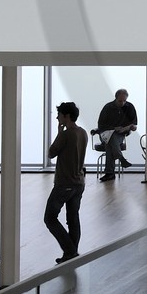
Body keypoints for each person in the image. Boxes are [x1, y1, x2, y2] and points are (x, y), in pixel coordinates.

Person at [45, 102, 87, 263]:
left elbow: (51, 153)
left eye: (59, 115)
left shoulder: (66, 134)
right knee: (73, 218)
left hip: (64, 183)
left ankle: (70, 251)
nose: (57, 118)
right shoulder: (83, 132)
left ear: (66, 116)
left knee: (50, 218)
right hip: (79, 182)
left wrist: (58, 133)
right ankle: (71, 254)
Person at [95, 88, 138, 181]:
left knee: (109, 145)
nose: (122, 103)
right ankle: (121, 159)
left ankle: (109, 173)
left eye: (124, 101)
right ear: (116, 98)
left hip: (120, 135)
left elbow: (134, 124)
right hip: (106, 134)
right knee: (111, 138)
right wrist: (114, 128)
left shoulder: (129, 107)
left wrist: (129, 128)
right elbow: (101, 125)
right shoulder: (108, 107)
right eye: (120, 101)